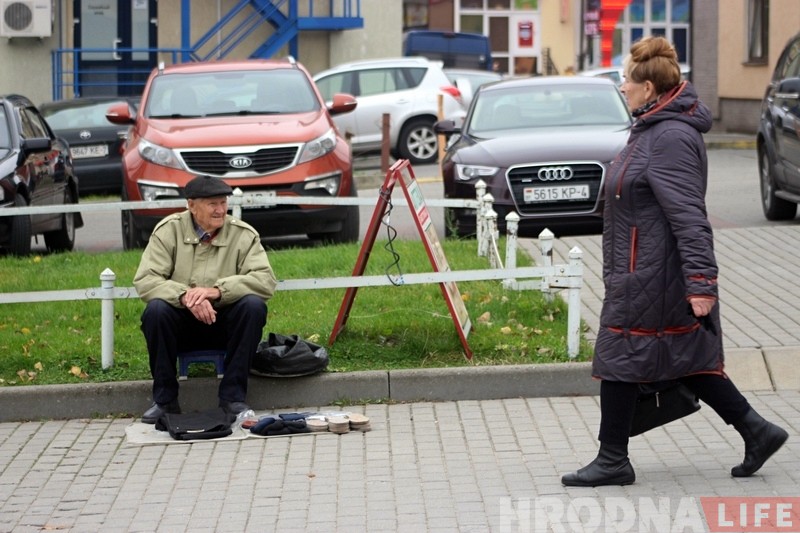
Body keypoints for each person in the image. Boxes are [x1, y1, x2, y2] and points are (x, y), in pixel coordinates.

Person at [561, 36, 788, 487]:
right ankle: (758, 431)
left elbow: (689, 216)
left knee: (620, 355)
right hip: (642, 269)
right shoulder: (651, 128)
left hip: (655, 273)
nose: (622, 86)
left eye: (627, 80)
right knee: (687, 357)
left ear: (648, 88)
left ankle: (612, 459)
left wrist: (702, 284)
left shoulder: (670, 138)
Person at [133, 174, 277, 423]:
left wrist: (217, 291)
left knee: (253, 306)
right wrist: (186, 296)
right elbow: (146, 280)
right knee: (156, 311)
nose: (220, 210)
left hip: (224, 322)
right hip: (181, 324)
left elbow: (265, 280)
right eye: (213, 204)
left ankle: (233, 399)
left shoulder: (242, 234)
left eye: (223, 203)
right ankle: (165, 401)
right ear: (191, 205)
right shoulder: (169, 231)